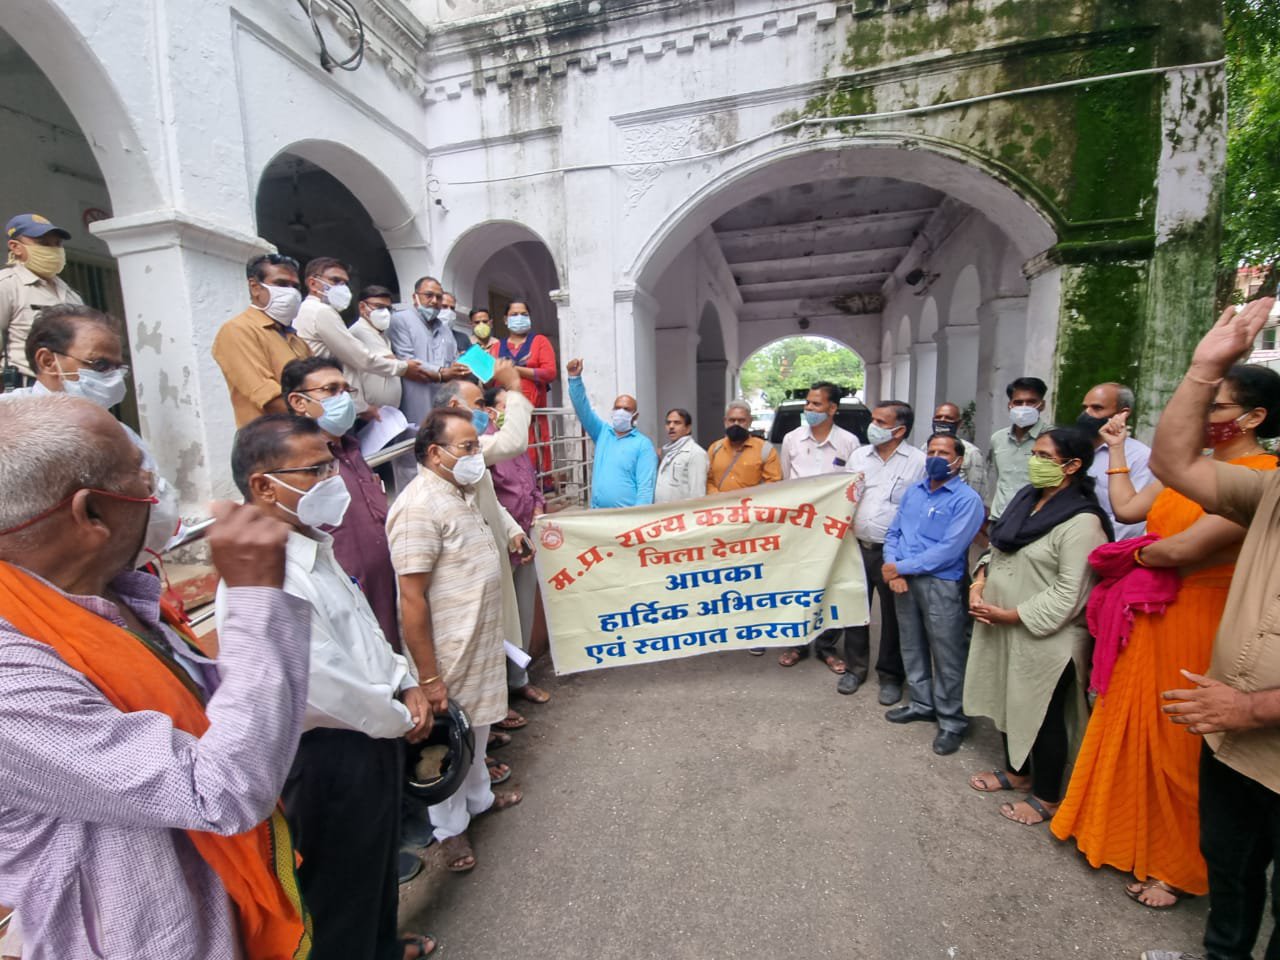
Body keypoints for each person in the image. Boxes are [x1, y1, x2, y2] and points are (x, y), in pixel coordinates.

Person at [0, 393, 311, 959]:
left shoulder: (105, 596)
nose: (158, 491)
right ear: (90, 513)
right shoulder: (10, 679)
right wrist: (255, 598)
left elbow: (216, 713)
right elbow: (218, 791)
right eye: (142, 475)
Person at [1052, 363, 1280, 911]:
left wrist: (1130, 555)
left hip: (1204, 616)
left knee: (1181, 745)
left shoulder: (1263, 475)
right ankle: (1121, 836)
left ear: (1254, 417)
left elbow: (1182, 551)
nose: (1204, 416)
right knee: (1128, 720)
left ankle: (1178, 867)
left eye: (1216, 405)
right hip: (1150, 611)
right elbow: (1130, 509)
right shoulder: (1194, 468)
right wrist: (1116, 450)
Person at [220, 414, 435, 960]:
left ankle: (382, 945)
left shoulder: (314, 544)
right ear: (264, 486)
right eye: (315, 470)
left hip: (376, 728)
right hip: (330, 752)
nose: (333, 480)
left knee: (376, 862)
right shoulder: (264, 576)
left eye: (332, 464)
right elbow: (322, 685)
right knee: (340, 882)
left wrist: (406, 681)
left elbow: (364, 629)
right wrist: (399, 717)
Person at [1135, 298, 1280, 960]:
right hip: (1229, 731)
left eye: (1224, 404)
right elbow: (1172, 465)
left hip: (1259, 721)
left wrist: (1252, 705)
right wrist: (1202, 369)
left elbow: (1179, 548)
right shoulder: (1270, 489)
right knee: (1232, 873)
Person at [387, 408, 527, 874]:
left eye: (476, 445)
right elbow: (411, 597)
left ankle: (480, 799)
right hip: (447, 651)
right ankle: (450, 830)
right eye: (467, 447)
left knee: (480, 730)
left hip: (480, 641)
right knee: (449, 744)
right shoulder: (418, 506)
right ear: (435, 453)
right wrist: (429, 678)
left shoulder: (461, 492)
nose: (476, 454)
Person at [964, 428, 1112, 826]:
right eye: (1035, 453)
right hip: (1003, 624)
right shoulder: (1025, 500)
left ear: (1072, 466)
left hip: (1048, 637)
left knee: (1042, 714)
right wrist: (979, 583)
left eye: (1044, 455)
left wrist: (1013, 615)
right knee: (1009, 699)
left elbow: (1072, 591)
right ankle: (1017, 773)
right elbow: (996, 551)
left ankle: (1047, 797)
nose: (1034, 461)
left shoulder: (1082, 522)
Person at [434, 369, 550, 710]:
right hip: (469, 561)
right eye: (480, 404)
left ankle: (512, 688)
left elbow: (491, 498)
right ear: (455, 406)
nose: (486, 411)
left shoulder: (472, 451)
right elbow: (514, 441)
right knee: (484, 633)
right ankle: (490, 713)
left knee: (515, 619)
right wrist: (514, 388)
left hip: (503, 543)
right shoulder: (457, 450)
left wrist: (514, 529)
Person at [280, 356, 401, 650]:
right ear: (298, 402)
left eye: (346, 390)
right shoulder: (293, 463)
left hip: (383, 583)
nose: (343, 398)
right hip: (342, 594)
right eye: (331, 390)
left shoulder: (351, 448)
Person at [883, 433, 986, 755]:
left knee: (947, 653)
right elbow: (894, 532)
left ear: (958, 461)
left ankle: (952, 720)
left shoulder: (967, 500)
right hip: (903, 577)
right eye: (931, 451)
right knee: (911, 643)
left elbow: (950, 550)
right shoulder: (914, 491)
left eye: (944, 452)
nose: (936, 457)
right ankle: (921, 702)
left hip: (940, 583)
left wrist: (902, 568)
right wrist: (891, 566)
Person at [840, 401, 926, 698]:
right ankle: (855, 668)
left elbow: (919, 510)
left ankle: (890, 676)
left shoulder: (918, 462)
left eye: (880, 421)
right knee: (855, 609)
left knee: (894, 615)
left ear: (899, 430)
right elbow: (843, 497)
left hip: (893, 553)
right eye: (873, 420)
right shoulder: (859, 456)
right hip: (855, 547)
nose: (872, 426)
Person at [777, 382, 860, 671]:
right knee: (799, 584)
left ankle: (826, 646)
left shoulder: (849, 442)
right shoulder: (792, 439)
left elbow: (853, 486)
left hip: (832, 529)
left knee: (830, 584)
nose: (808, 409)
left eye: (816, 405)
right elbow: (787, 481)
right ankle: (797, 643)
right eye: (808, 403)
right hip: (799, 527)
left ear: (832, 408)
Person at [485, 385, 552, 707]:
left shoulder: (518, 447)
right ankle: (498, 696)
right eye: (506, 407)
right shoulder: (487, 448)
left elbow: (533, 485)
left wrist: (538, 507)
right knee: (497, 620)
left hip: (525, 538)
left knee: (523, 613)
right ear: (489, 412)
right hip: (498, 543)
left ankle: (519, 680)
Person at [294, 258, 426, 411]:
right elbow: (361, 358)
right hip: (328, 399)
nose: (341, 288)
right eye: (335, 280)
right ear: (312, 283)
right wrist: (403, 367)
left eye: (344, 283)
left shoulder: (311, 310)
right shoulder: (321, 311)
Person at [388, 276, 471, 488]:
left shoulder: (444, 329)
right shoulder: (401, 320)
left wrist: (460, 368)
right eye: (428, 295)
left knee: (441, 450)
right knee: (410, 455)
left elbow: (452, 360)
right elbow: (406, 361)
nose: (434, 300)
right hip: (413, 399)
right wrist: (443, 372)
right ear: (415, 297)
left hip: (441, 401)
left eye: (438, 296)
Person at [212, 253, 311, 428]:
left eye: (295, 286)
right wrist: (319, 417)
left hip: (309, 434)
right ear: (255, 287)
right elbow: (268, 396)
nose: (292, 292)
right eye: (281, 284)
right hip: (272, 442)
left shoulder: (295, 339)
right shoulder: (238, 330)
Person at [0, 213, 82, 388]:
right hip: (25, 388)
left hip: (71, 390)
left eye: (57, 244)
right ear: (16, 247)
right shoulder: (7, 285)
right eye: (43, 243)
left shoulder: (70, 294)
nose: (53, 250)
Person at [566, 357, 658, 508]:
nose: (621, 412)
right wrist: (574, 378)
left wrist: (639, 519)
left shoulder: (643, 444)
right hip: (599, 515)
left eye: (626, 409)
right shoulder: (603, 433)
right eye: (618, 408)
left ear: (636, 415)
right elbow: (583, 410)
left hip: (625, 519)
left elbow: (645, 489)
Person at [1077, 381, 1153, 539]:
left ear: (1122, 413)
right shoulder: (1074, 448)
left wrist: (1098, 548)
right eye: (1084, 408)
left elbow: (1130, 521)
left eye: (1097, 408)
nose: (1086, 414)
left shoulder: (1140, 457)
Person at [494, 301, 558, 478]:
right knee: (506, 446)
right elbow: (490, 377)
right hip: (504, 411)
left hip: (534, 411)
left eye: (524, 314)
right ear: (505, 320)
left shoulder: (539, 342)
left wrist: (515, 369)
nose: (519, 318)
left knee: (533, 448)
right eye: (514, 315)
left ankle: (538, 489)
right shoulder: (497, 347)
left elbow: (549, 372)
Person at [986, 377, 1049, 521]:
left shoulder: (1052, 438)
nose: (1024, 407)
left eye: (1031, 402)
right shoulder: (998, 438)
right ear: (1010, 405)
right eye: (1018, 402)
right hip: (1000, 518)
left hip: (1033, 519)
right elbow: (1000, 477)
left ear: (1042, 405)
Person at [706, 400, 782, 494]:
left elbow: (773, 483)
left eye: (741, 420)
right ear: (725, 421)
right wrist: (717, 497)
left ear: (750, 422)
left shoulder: (765, 450)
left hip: (751, 506)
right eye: (732, 420)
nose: (736, 424)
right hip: (720, 505)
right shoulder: (714, 449)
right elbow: (708, 480)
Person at [348, 285, 404, 411]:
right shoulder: (359, 331)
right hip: (369, 412)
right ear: (362, 307)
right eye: (379, 307)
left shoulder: (382, 335)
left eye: (389, 308)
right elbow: (391, 361)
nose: (385, 313)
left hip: (386, 413)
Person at [926, 402, 987, 501]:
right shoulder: (925, 448)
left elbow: (977, 490)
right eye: (938, 417)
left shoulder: (972, 452)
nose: (942, 420)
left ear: (959, 424)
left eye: (948, 418)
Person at [655, 407, 709, 503]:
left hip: (681, 514)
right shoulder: (667, 452)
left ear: (688, 429)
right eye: (668, 423)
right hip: (663, 512)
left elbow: (698, 494)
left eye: (677, 423)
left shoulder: (696, 453)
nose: (671, 426)